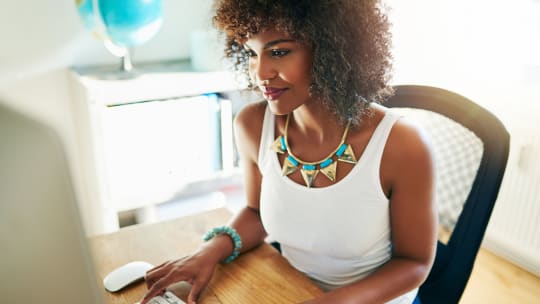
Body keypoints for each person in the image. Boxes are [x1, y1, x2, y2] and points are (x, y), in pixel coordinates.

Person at [142, 0, 437, 303]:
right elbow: (257, 213)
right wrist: (208, 252)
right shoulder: (253, 125)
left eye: (279, 52)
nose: (260, 72)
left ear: (332, 49)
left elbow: (414, 263)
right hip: (287, 287)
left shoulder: (402, 145)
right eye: (251, 53)